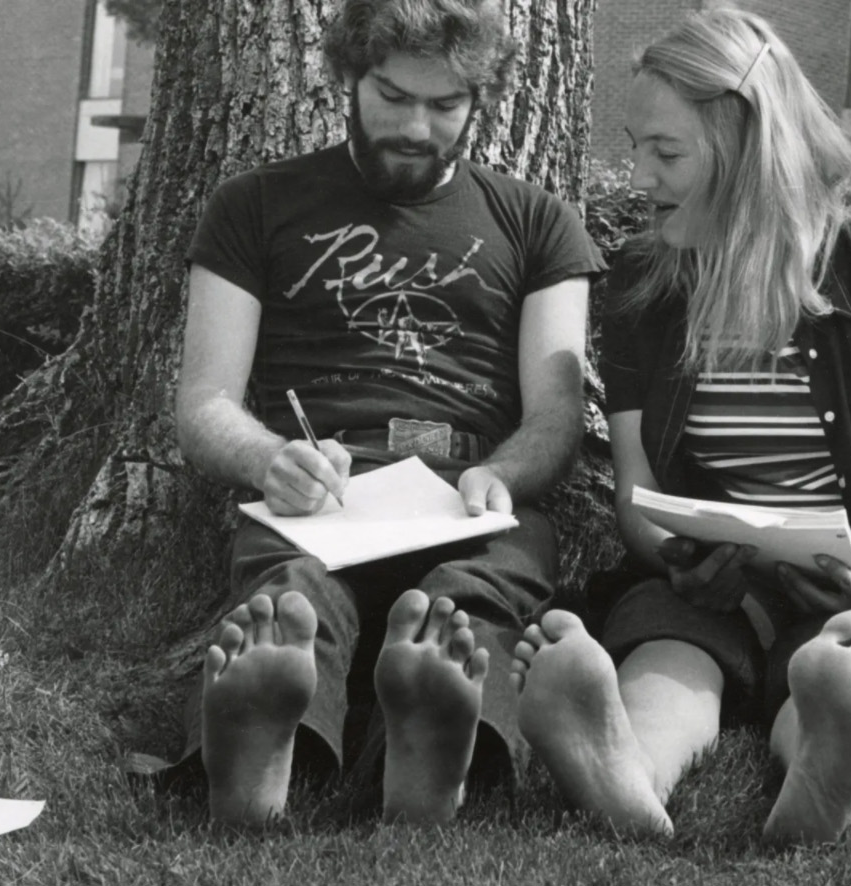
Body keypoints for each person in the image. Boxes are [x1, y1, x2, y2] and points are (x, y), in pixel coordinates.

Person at [509, 7, 851, 843]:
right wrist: (673, 555)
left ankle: (829, 742)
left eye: (665, 153)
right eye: (636, 147)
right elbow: (640, 489)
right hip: (711, 590)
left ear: (745, 148)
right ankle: (622, 767)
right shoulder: (645, 281)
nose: (638, 177)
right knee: (666, 654)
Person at [172, 0, 604, 827]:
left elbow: (557, 412)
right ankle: (261, 753)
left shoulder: (538, 222)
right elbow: (203, 401)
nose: (416, 126)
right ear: (349, 76)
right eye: (394, 97)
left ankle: (430, 744)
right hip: (320, 488)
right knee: (290, 600)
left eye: (444, 107)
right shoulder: (253, 206)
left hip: (471, 490)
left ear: (483, 99)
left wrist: (500, 475)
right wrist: (270, 460)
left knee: (470, 598)